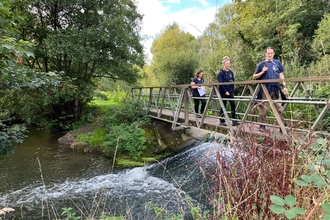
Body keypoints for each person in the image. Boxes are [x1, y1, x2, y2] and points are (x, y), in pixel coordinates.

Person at [253, 47, 288, 132]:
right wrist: (262, 72)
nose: (269, 55)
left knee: (280, 108)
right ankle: (262, 125)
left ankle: (281, 126)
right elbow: (254, 76)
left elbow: (281, 74)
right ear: (265, 54)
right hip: (265, 89)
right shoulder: (261, 64)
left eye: (271, 53)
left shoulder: (277, 63)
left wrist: (284, 86)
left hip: (275, 89)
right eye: (268, 53)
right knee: (263, 108)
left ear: (273, 53)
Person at [217, 56, 239, 126]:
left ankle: (234, 120)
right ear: (224, 64)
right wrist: (225, 91)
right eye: (227, 64)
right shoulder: (221, 73)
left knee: (233, 105)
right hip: (223, 92)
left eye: (229, 63)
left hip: (230, 91)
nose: (228, 65)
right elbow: (220, 83)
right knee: (223, 106)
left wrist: (232, 90)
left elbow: (232, 82)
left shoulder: (231, 73)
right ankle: (222, 120)